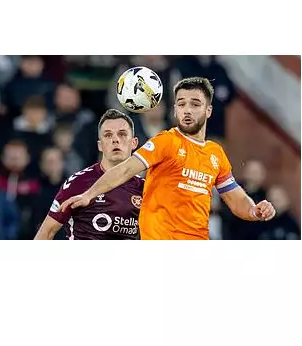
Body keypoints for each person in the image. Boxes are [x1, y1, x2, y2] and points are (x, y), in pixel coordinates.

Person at [60, 77, 277, 240]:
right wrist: (89, 194)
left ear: (209, 110)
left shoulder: (216, 153)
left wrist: (253, 210)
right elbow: (125, 169)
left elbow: (235, 197)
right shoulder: (166, 141)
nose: (187, 110)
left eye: (195, 104)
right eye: (181, 104)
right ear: (174, 110)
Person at [34, 109, 144, 240]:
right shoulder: (78, 182)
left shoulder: (144, 187)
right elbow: (46, 233)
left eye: (122, 134)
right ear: (100, 145)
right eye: (108, 135)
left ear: (134, 143)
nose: (115, 140)